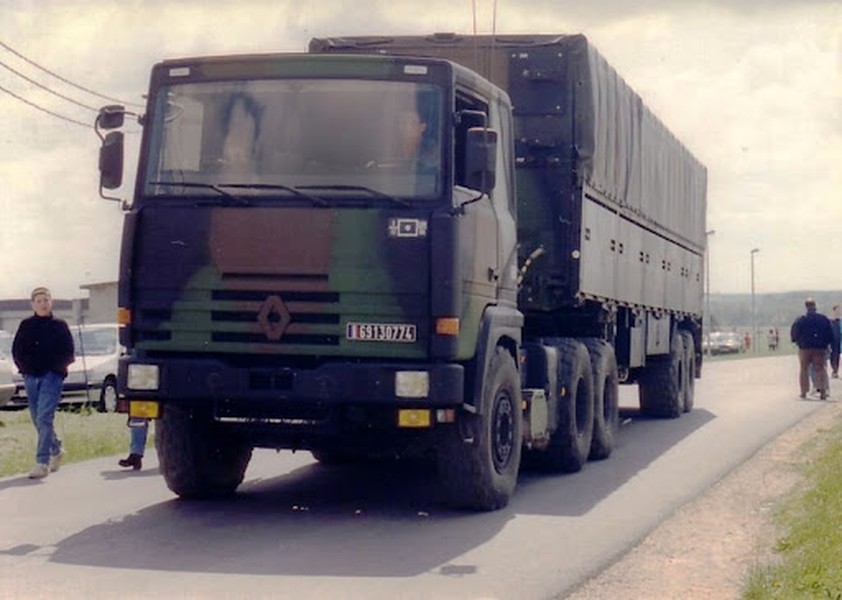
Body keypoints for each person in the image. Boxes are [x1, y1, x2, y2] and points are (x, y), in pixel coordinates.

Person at [11, 287, 75, 479]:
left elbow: (69, 352)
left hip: (52, 377)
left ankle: (42, 462)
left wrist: (56, 370)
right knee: (37, 419)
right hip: (31, 377)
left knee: (45, 417)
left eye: (45, 300)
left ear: (51, 302)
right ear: (33, 304)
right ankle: (56, 449)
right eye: (38, 301)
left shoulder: (60, 325)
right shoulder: (26, 325)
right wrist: (26, 369)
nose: (42, 304)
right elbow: (17, 351)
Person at [790, 297, 834, 400]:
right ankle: (822, 392)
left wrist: (796, 341)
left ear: (806, 307)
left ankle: (804, 392)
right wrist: (826, 343)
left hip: (805, 348)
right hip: (819, 348)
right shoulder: (823, 319)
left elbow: (794, 332)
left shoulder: (801, 319)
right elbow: (830, 334)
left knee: (804, 369)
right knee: (820, 369)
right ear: (815, 306)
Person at [830, 305, 841, 378]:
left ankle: (836, 370)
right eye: (838, 310)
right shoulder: (830, 321)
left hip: (839, 340)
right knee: (833, 356)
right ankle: (834, 370)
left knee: (838, 356)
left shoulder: (840, 321)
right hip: (832, 341)